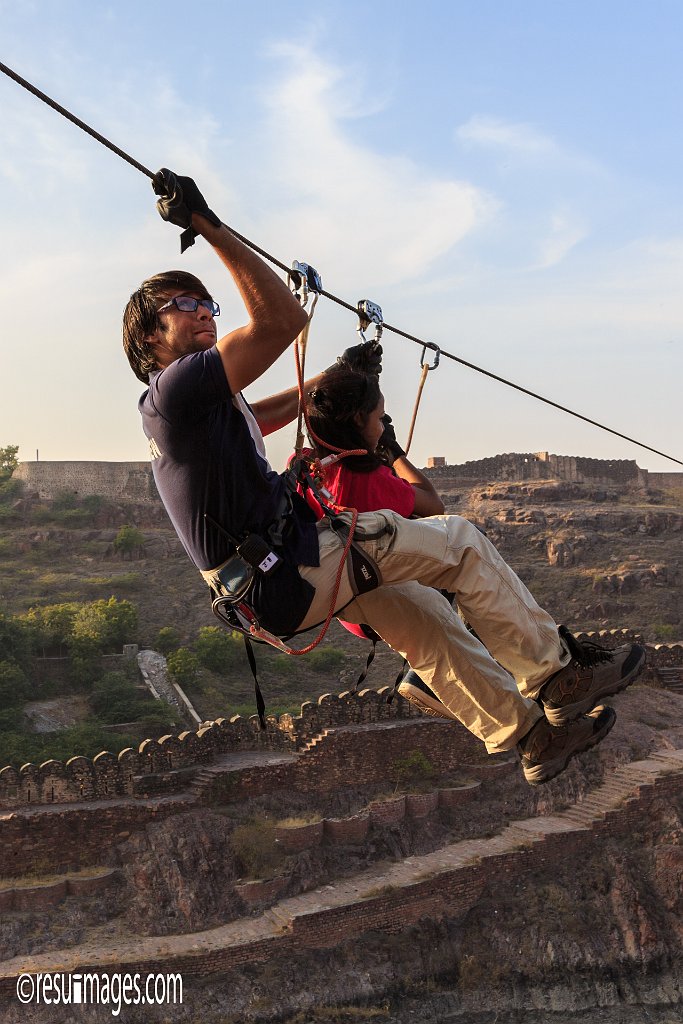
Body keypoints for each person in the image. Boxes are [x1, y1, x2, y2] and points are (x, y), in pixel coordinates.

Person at [122, 169, 646, 786]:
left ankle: (532, 738)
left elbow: (261, 414)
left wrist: (333, 376)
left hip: (276, 587)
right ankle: (558, 674)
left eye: (206, 303)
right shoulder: (175, 389)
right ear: (149, 338)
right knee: (460, 544)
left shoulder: (194, 410)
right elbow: (279, 321)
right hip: (288, 566)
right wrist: (208, 226)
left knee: (426, 618)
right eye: (184, 306)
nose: (205, 312)